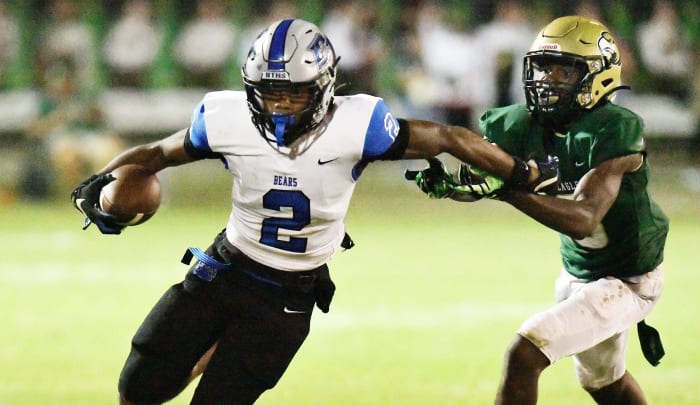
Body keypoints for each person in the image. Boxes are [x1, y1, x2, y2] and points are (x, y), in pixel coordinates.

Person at [70, 19, 556, 404]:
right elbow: (156, 153)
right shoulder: (227, 117)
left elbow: (450, 137)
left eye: (294, 93)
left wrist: (520, 172)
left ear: (323, 86)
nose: (279, 105)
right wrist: (101, 184)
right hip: (222, 270)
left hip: (288, 294)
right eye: (270, 91)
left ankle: (222, 345)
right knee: (137, 387)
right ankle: (212, 343)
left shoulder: (359, 125)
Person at [414, 16, 668, 404]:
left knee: (525, 353)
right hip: (579, 272)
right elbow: (485, 178)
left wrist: (508, 191)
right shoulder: (519, 124)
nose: (548, 80)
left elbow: (584, 219)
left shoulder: (613, 130)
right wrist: (455, 185)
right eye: (543, 67)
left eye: (564, 70)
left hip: (628, 279)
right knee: (605, 385)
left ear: (597, 76)